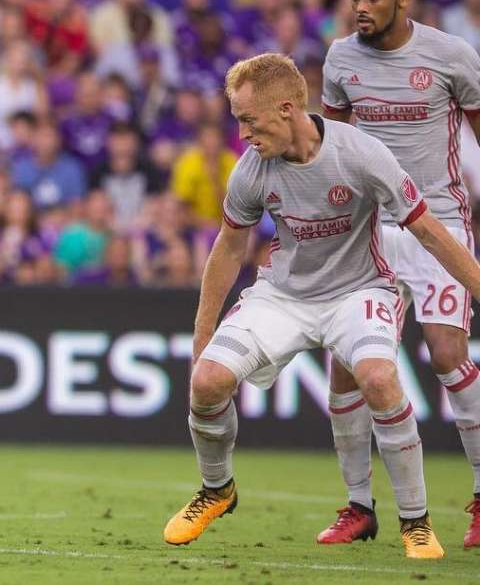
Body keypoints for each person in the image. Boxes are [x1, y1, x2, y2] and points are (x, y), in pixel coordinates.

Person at [162, 53, 480, 559]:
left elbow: (427, 230)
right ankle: (217, 489)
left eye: (248, 119)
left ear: (286, 109)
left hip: (359, 291)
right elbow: (228, 248)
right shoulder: (251, 170)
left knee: (378, 378)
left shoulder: (361, 154)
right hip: (284, 296)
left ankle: (415, 522)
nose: (241, 133)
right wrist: (202, 340)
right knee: (207, 382)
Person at [318, 0, 480, 548]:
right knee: (347, 368)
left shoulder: (451, 55)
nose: (360, 6)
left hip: (438, 225)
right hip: (371, 232)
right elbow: (331, 150)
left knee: (445, 355)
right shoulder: (340, 59)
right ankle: (358, 506)